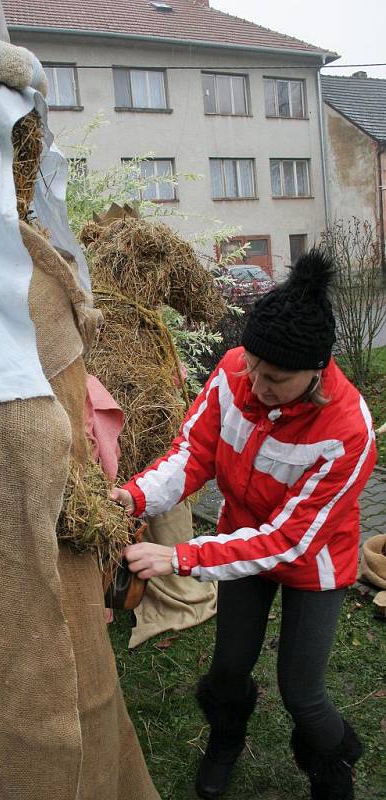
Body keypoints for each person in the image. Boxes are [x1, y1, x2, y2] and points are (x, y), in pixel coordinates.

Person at [111, 249, 377, 800]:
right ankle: (226, 742)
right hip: (238, 541)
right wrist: (131, 497)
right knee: (229, 670)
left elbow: (287, 542)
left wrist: (180, 556)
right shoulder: (235, 370)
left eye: (275, 377)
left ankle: (334, 772)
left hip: (312, 562)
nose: (255, 385)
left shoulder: (348, 431)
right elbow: (193, 454)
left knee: (301, 693)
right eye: (252, 367)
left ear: (317, 370)